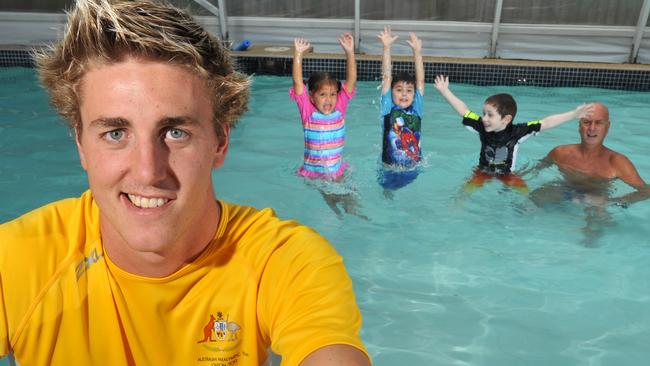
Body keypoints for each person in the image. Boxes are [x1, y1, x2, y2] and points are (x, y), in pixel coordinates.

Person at [0, 1, 371, 365]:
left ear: (220, 143)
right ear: (80, 144)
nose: (147, 172)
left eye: (175, 132)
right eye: (115, 133)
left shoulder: (286, 263)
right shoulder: (18, 261)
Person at [434, 75, 594, 193]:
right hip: (482, 171)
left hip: (508, 175)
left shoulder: (518, 132)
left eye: (490, 115)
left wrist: (573, 114)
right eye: (484, 113)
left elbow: (545, 123)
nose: (484, 118)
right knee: (463, 193)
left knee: (526, 195)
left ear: (506, 119)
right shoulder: (481, 126)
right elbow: (464, 110)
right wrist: (445, 91)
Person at [290, 34, 366, 219]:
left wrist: (349, 52)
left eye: (332, 94)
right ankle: (337, 212)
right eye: (323, 94)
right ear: (311, 96)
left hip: (336, 169)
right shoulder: (307, 111)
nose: (329, 99)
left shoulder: (340, 107)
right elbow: (298, 83)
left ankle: (353, 214)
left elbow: (352, 80)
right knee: (330, 196)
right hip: (314, 172)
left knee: (350, 196)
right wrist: (298, 54)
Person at [526, 102, 649, 206]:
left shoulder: (617, 162)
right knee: (531, 200)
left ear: (608, 127)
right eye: (586, 122)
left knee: (595, 226)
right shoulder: (560, 153)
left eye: (599, 122)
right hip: (564, 191)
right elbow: (535, 168)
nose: (592, 128)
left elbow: (646, 191)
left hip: (596, 201)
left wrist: (612, 201)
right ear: (579, 126)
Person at [377, 26, 425, 192]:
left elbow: (420, 81)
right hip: (389, 168)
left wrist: (417, 53)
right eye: (399, 90)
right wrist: (386, 48)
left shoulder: (417, 108)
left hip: (414, 167)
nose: (404, 94)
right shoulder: (388, 108)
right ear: (392, 92)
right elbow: (387, 77)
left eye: (408, 91)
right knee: (387, 193)